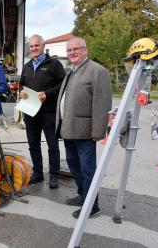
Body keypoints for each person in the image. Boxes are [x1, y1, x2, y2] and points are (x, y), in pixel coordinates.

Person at [55, 37, 112, 218]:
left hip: (85, 131)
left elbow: (102, 103)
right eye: (69, 50)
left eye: (76, 49)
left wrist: (98, 131)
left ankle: (92, 206)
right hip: (69, 130)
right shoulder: (72, 71)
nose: (72, 52)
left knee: (88, 169)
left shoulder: (97, 71)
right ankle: (83, 195)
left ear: (85, 50)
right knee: (74, 166)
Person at [19, 34, 66, 189]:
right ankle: (38, 173)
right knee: (33, 144)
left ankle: (54, 175)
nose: (33, 49)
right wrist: (21, 93)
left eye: (36, 45)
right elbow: (21, 86)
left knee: (52, 144)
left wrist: (48, 94)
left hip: (48, 111)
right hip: (30, 111)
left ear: (43, 46)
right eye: (31, 46)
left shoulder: (54, 64)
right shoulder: (27, 66)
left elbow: (63, 85)